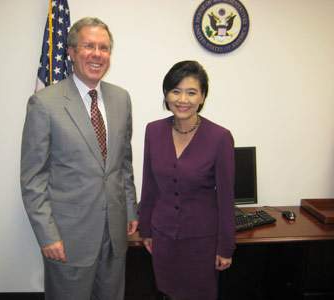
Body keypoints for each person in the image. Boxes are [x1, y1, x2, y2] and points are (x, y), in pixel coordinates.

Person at [20, 17, 138, 300]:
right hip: (68, 238)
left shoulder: (122, 99)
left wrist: (131, 209)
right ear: (71, 52)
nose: (97, 54)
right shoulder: (45, 103)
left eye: (104, 47)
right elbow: (32, 178)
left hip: (115, 234)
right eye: (88, 46)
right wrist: (47, 235)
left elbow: (124, 163)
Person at [138, 60, 235, 300]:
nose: (183, 99)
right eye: (176, 91)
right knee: (167, 292)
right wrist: (146, 230)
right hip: (163, 237)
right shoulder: (153, 131)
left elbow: (225, 198)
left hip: (202, 242)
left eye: (191, 92)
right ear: (166, 94)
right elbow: (149, 186)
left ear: (202, 97)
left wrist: (225, 247)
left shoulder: (220, 137)